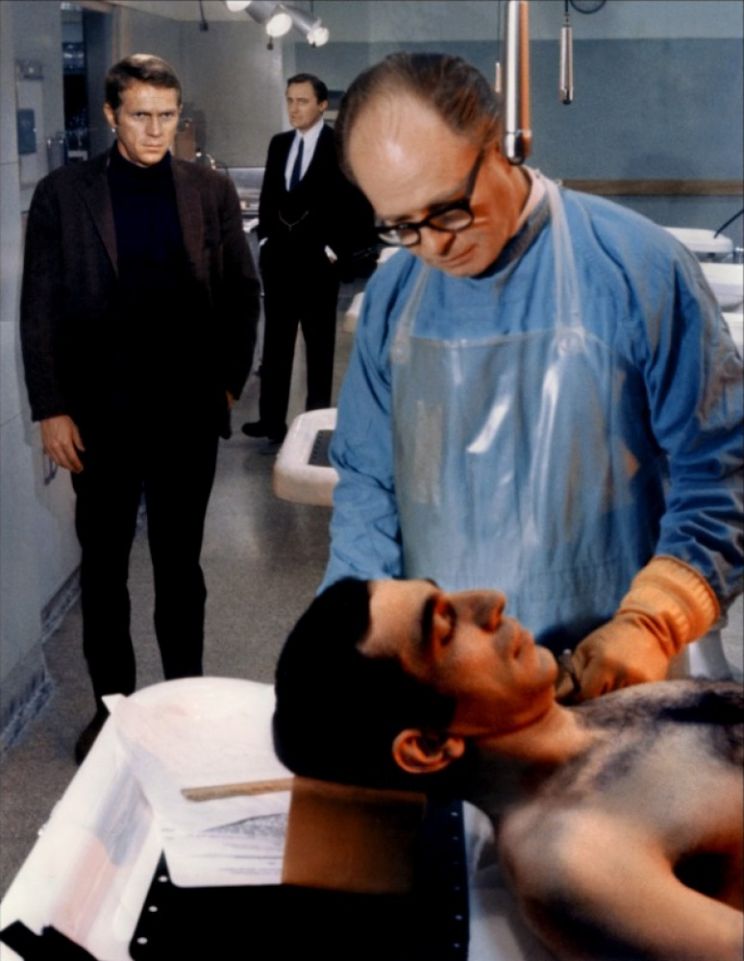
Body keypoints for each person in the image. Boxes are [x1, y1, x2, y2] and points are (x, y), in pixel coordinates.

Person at [321, 52, 743, 699]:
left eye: (448, 210)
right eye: (402, 226)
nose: (434, 245)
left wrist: (653, 622)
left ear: (501, 143)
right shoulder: (395, 298)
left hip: (615, 669)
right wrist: (358, 638)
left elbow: (721, 469)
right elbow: (368, 487)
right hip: (457, 678)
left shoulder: (635, 269)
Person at [273, 577, 744, 961]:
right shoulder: (573, 856)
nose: (490, 600)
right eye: (446, 629)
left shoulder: (601, 704)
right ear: (430, 746)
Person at [20, 53, 260, 762]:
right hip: (100, 417)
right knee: (104, 570)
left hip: (185, 412)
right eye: (141, 116)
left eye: (167, 116)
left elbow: (242, 291)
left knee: (181, 569)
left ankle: (183, 706)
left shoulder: (208, 189)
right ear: (110, 115)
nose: (157, 131)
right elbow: (39, 307)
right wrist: (51, 408)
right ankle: (113, 713)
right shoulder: (65, 194)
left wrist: (227, 381)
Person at [242, 73, 374, 453]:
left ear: (321, 105)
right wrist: (265, 240)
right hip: (280, 261)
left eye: (302, 101)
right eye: (290, 100)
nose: (294, 108)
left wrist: (335, 252)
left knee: (319, 348)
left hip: (319, 264)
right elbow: (269, 197)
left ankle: (315, 421)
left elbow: (357, 203)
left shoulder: (340, 146)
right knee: (276, 345)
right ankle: (271, 420)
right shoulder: (280, 144)